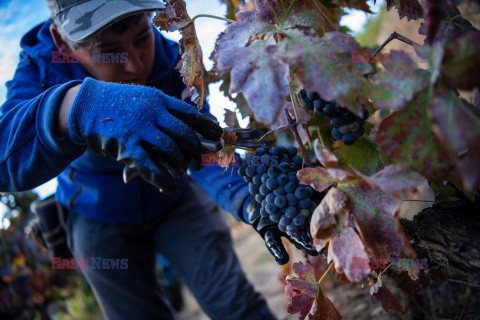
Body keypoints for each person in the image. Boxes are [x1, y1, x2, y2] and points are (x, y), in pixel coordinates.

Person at [0, 1, 315, 319]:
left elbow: (203, 149)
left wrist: (248, 198)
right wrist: (75, 106)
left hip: (176, 202)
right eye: (109, 50)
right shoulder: (42, 67)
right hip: (96, 216)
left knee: (235, 304)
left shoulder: (176, 59)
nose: (136, 65)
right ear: (62, 42)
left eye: (141, 38)